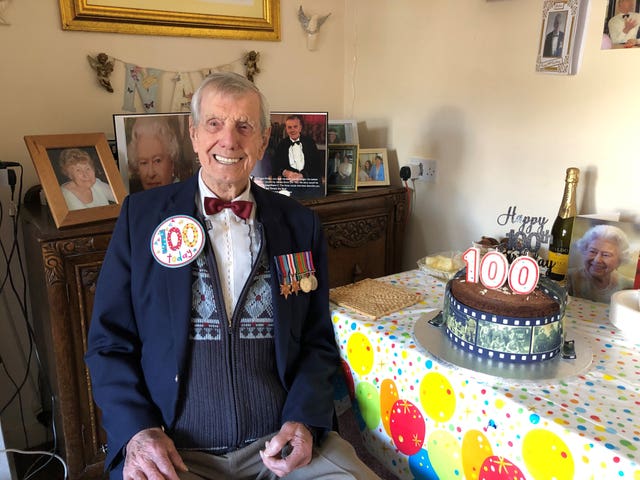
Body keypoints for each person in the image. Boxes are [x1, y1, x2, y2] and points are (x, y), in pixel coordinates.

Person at [85, 72, 380, 480]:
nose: (229, 140)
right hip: (173, 451)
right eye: (214, 124)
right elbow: (108, 343)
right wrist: (138, 431)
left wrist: (303, 421)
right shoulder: (141, 217)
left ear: (263, 139)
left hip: (279, 444)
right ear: (193, 135)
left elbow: (317, 340)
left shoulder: (300, 224)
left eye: (244, 126)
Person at [567, 224, 633, 303]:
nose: (597, 260)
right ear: (585, 250)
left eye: (606, 255)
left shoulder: (628, 287)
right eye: (592, 251)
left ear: (620, 260)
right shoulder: (567, 279)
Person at [126, 116, 181, 192]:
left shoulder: (187, 198)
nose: (151, 173)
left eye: (157, 161)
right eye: (144, 163)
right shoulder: (134, 201)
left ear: (172, 162)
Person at [272, 115, 323, 182]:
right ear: (286, 129)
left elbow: (317, 165)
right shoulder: (281, 144)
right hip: (289, 183)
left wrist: (302, 175)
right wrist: (286, 173)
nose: (292, 130)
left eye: (295, 127)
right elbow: (276, 166)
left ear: (300, 128)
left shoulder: (310, 143)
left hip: (308, 183)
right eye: (289, 127)